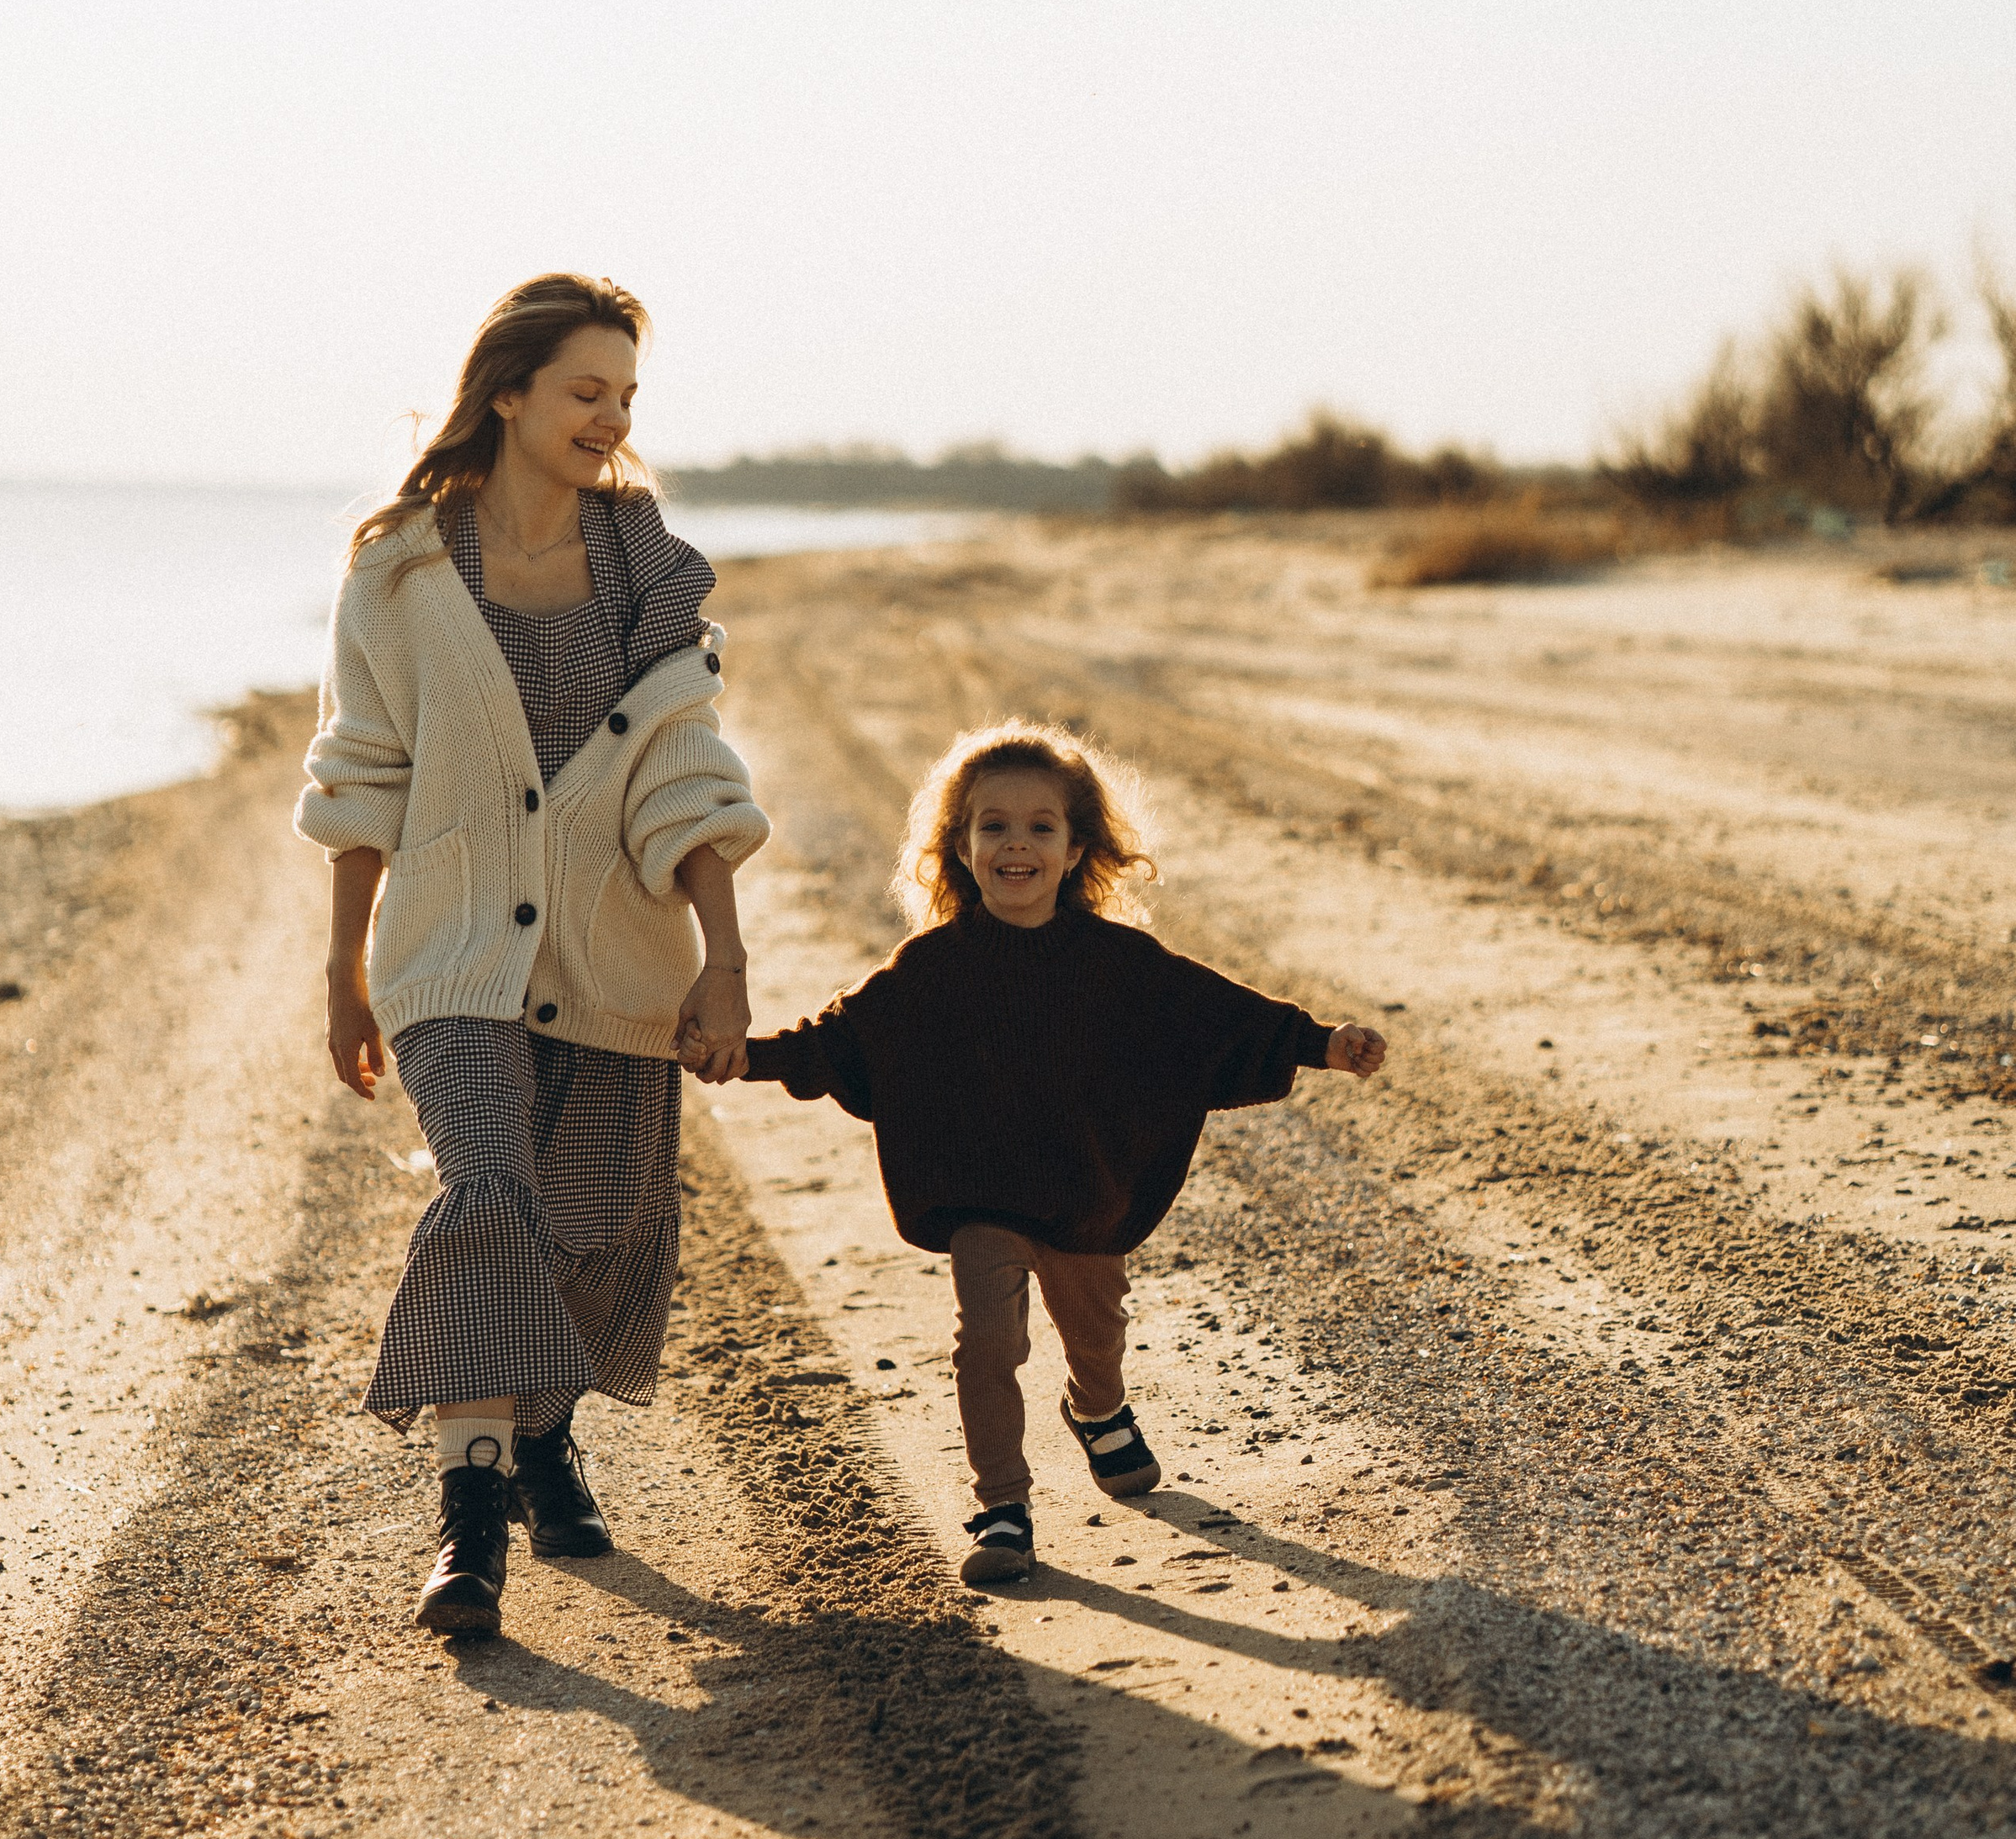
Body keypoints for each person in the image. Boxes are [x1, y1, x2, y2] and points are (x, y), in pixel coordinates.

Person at [299, 272, 767, 1638]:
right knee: (492, 1192)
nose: (611, 418)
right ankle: (469, 1526)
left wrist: (723, 956)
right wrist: (344, 968)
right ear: (507, 390)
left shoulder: (643, 562)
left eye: (627, 396)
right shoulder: (396, 562)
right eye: (585, 390)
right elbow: (362, 771)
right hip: (451, 952)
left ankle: (547, 1433)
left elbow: (685, 769)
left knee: (601, 1228)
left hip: (620, 947)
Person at [733, 722, 1385, 1585]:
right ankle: (1001, 1505)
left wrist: (1321, 1043)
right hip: (978, 1191)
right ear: (959, 848)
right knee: (986, 1343)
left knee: (1095, 1329)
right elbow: (840, 1040)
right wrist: (744, 1056)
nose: (1016, 843)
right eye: (992, 825)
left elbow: (1218, 1016)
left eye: (1040, 826)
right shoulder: (928, 969)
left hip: (1087, 1188)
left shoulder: (1120, 964)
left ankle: (1098, 1408)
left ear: (1077, 849)